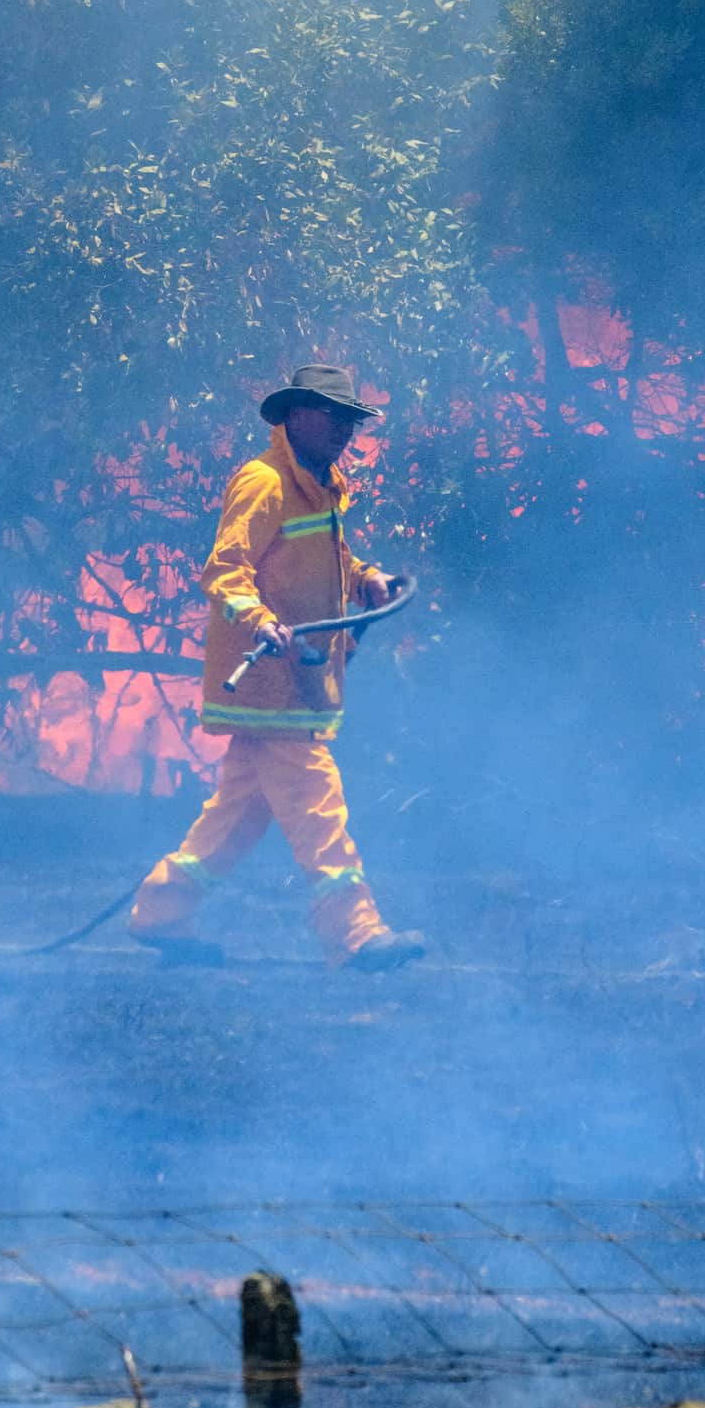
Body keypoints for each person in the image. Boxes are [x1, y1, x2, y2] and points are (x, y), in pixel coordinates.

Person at [128, 365, 425, 973]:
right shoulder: (264, 482)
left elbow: (327, 556)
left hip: (298, 685)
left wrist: (366, 579)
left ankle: (161, 911)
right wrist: (261, 621)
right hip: (271, 686)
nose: (344, 429)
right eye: (333, 415)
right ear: (295, 415)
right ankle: (356, 934)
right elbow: (225, 570)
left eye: (350, 419)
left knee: (236, 816)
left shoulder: (318, 487)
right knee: (319, 805)